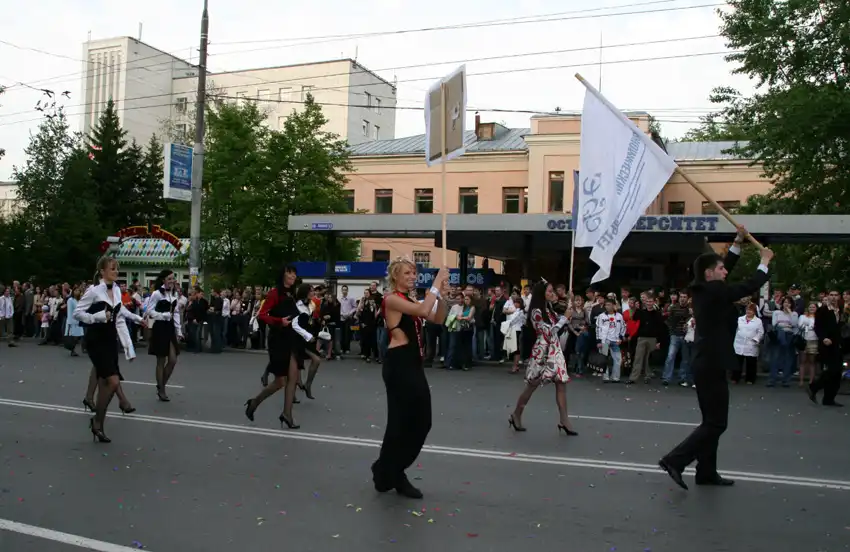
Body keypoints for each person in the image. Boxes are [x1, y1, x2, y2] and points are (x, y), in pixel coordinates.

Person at [659, 227, 773, 489]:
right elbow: (748, 285)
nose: (725, 272)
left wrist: (737, 243)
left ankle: (706, 472)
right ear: (709, 274)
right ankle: (675, 460)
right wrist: (764, 262)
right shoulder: (713, 291)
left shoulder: (705, 288)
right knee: (716, 423)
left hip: (708, 362)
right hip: (710, 363)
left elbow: (725, 269)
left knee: (711, 422)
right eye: (720, 270)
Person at [371, 259, 448, 499]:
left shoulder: (410, 300)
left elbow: (438, 318)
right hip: (399, 364)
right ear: (395, 276)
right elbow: (424, 311)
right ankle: (393, 472)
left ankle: (387, 468)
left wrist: (442, 296)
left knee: (423, 421)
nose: (413, 276)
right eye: (407, 273)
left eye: (414, 272)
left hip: (414, 364)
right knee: (399, 423)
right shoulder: (391, 299)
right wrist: (436, 282)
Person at [74, 256, 144, 443]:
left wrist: (138, 320)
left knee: (107, 383)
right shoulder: (94, 291)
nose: (116, 271)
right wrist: (97, 316)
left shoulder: (118, 291)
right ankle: (97, 421)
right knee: (112, 381)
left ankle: (97, 422)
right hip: (96, 339)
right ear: (102, 271)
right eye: (112, 268)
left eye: (117, 268)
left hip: (110, 339)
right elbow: (77, 313)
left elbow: (120, 314)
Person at [508, 280, 577, 435]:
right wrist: (564, 318)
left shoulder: (549, 309)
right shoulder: (536, 311)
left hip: (555, 350)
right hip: (543, 351)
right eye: (549, 291)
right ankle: (516, 414)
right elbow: (548, 332)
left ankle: (564, 420)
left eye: (552, 291)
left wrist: (569, 305)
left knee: (561, 383)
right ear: (542, 293)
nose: (552, 294)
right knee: (532, 384)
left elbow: (560, 323)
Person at [245, 265, 302, 428]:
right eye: (289, 273)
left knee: (293, 377)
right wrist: (279, 321)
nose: (293, 276)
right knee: (280, 382)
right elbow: (262, 315)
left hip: (291, 338)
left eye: (294, 273)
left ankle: (287, 414)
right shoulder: (274, 293)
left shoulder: (291, 293)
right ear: (283, 275)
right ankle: (254, 402)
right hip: (278, 339)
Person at [147, 270, 182, 402]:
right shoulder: (157, 294)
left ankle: (161, 385)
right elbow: (149, 311)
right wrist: (163, 315)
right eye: (169, 279)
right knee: (161, 360)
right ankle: (161, 389)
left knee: (173, 360)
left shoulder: (174, 294)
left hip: (170, 327)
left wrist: (179, 330)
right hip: (160, 327)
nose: (172, 281)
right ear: (163, 280)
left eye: (173, 278)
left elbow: (176, 313)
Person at [808, 290, 844, 407]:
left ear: (839, 297)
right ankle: (814, 387)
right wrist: (823, 338)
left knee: (837, 373)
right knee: (832, 370)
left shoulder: (841, 310)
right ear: (828, 297)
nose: (833, 297)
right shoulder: (823, 310)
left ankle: (829, 399)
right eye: (831, 295)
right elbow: (817, 326)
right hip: (826, 344)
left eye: (836, 295)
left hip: (837, 343)